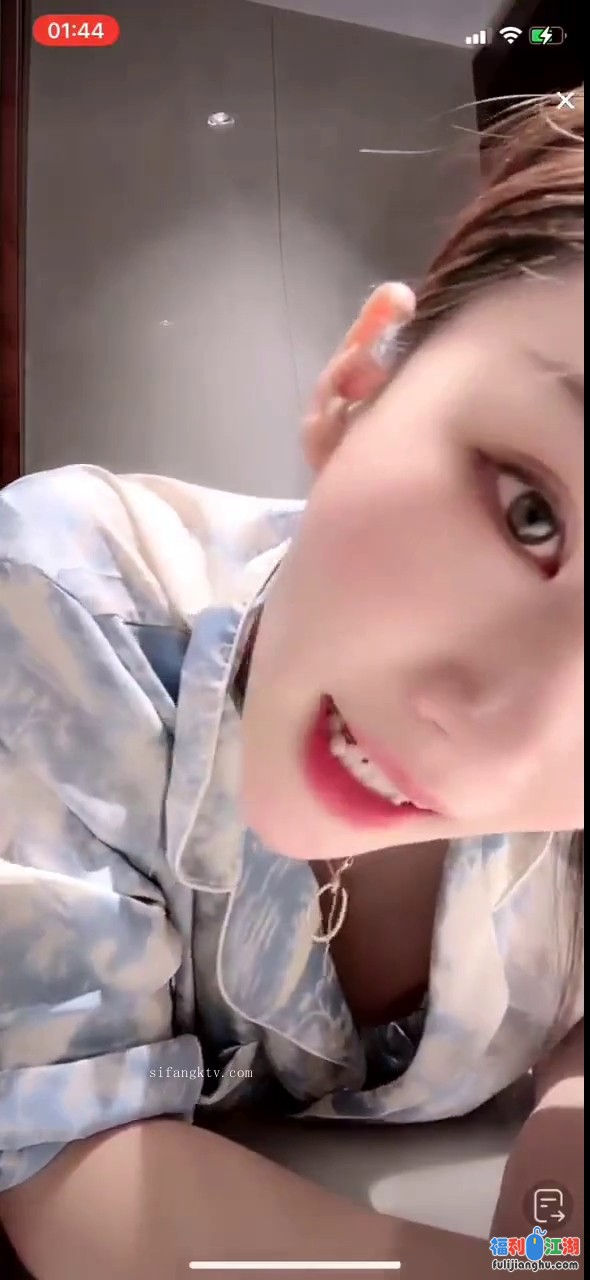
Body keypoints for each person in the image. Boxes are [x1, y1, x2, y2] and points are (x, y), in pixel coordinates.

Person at [0, 92, 583, 1279]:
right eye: (528, 511)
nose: (486, 729)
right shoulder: (74, 596)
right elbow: (63, 1156)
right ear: (362, 381)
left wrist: (548, 1217)